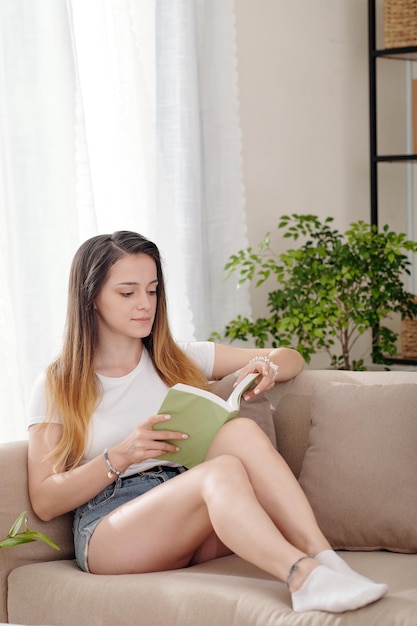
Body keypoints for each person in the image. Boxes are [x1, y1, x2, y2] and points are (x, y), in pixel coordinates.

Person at [27, 231, 388, 613]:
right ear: (92, 298)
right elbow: (46, 501)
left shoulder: (176, 359)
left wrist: (266, 368)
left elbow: (291, 357)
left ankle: (328, 562)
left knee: (240, 432)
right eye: (127, 293)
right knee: (221, 472)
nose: (145, 304)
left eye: (152, 291)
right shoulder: (58, 383)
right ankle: (302, 577)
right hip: (110, 529)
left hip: (188, 518)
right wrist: (121, 455)